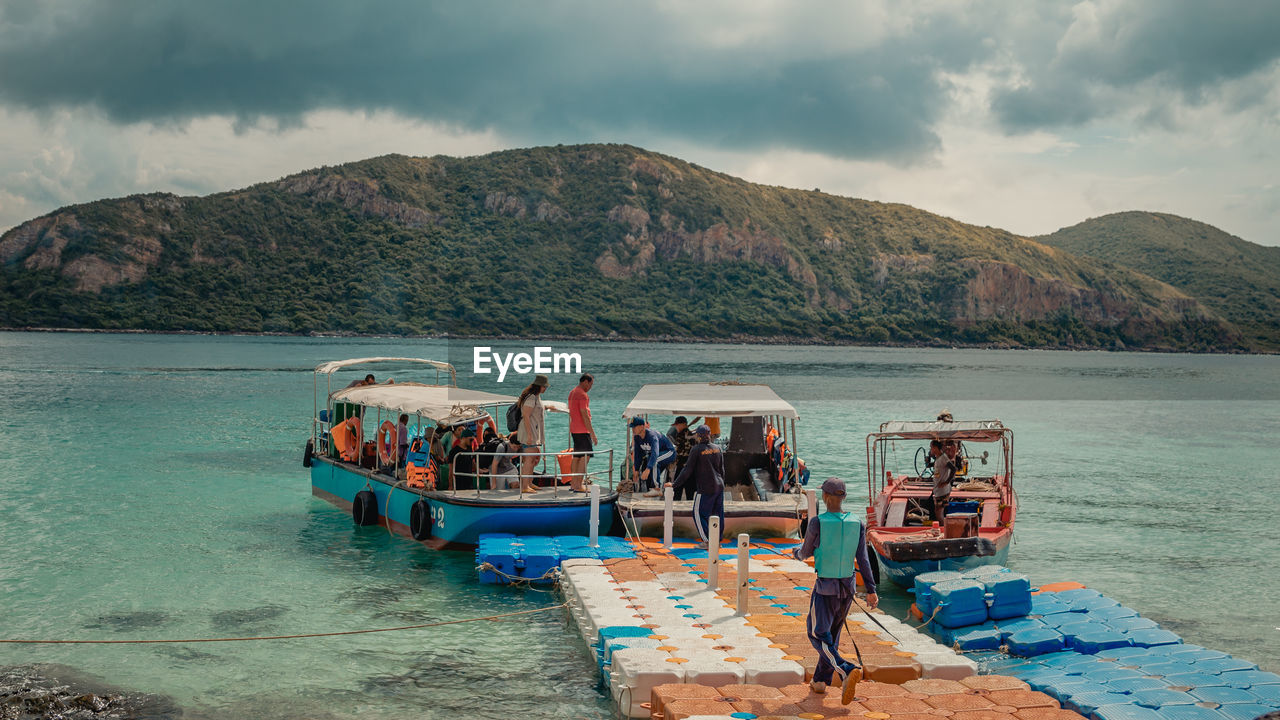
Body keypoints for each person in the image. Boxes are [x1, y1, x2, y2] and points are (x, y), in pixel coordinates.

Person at [793, 478, 879, 704]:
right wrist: (871, 590)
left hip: (825, 589)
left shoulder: (817, 523)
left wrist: (796, 553)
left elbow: (805, 552)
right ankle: (821, 681)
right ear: (843, 497)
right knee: (832, 634)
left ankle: (845, 668)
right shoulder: (857, 523)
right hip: (848, 588)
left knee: (817, 634)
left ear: (826, 497)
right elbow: (863, 559)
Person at [667, 424, 723, 546]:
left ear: (698, 436)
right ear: (709, 435)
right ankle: (717, 540)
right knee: (716, 515)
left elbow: (687, 470)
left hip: (705, 487)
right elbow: (722, 470)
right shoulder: (718, 448)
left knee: (697, 513)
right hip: (719, 486)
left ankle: (707, 541)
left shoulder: (697, 449)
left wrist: (674, 485)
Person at [517, 374, 549, 493]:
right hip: (528, 432)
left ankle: (529, 483)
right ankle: (525, 486)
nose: (545, 388)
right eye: (544, 386)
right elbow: (526, 415)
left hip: (533, 432)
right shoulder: (531, 398)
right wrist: (529, 435)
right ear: (539, 386)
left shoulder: (536, 397)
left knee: (532, 458)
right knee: (529, 459)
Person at [630, 417, 675, 495]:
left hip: (669, 452)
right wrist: (636, 470)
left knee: (654, 461)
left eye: (634, 427)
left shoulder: (652, 436)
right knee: (648, 461)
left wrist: (648, 469)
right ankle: (649, 488)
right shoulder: (637, 437)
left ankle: (656, 488)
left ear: (641, 426)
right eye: (632, 427)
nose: (632, 429)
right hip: (658, 454)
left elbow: (655, 453)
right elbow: (638, 454)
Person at [566, 373, 596, 493]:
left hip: (574, 429)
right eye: (590, 384)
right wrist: (592, 433)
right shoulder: (582, 395)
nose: (590, 387)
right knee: (585, 456)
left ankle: (574, 483)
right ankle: (578, 485)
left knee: (577, 456)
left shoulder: (572, 392)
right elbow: (584, 414)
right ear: (585, 382)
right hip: (583, 430)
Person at [666, 416, 698, 499]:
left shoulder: (680, 435)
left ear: (683, 424)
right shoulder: (691, 435)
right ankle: (690, 510)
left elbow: (679, 452)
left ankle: (676, 510)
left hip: (682, 466)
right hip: (692, 467)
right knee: (690, 492)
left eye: (677, 425)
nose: (676, 427)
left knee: (677, 490)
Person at [931, 440, 959, 523]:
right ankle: (943, 528)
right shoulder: (938, 458)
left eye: (932, 447)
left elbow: (953, 469)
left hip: (943, 491)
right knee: (938, 512)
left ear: (936, 448)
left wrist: (946, 482)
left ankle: (944, 529)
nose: (931, 449)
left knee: (939, 513)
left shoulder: (943, 458)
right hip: (938, 490)